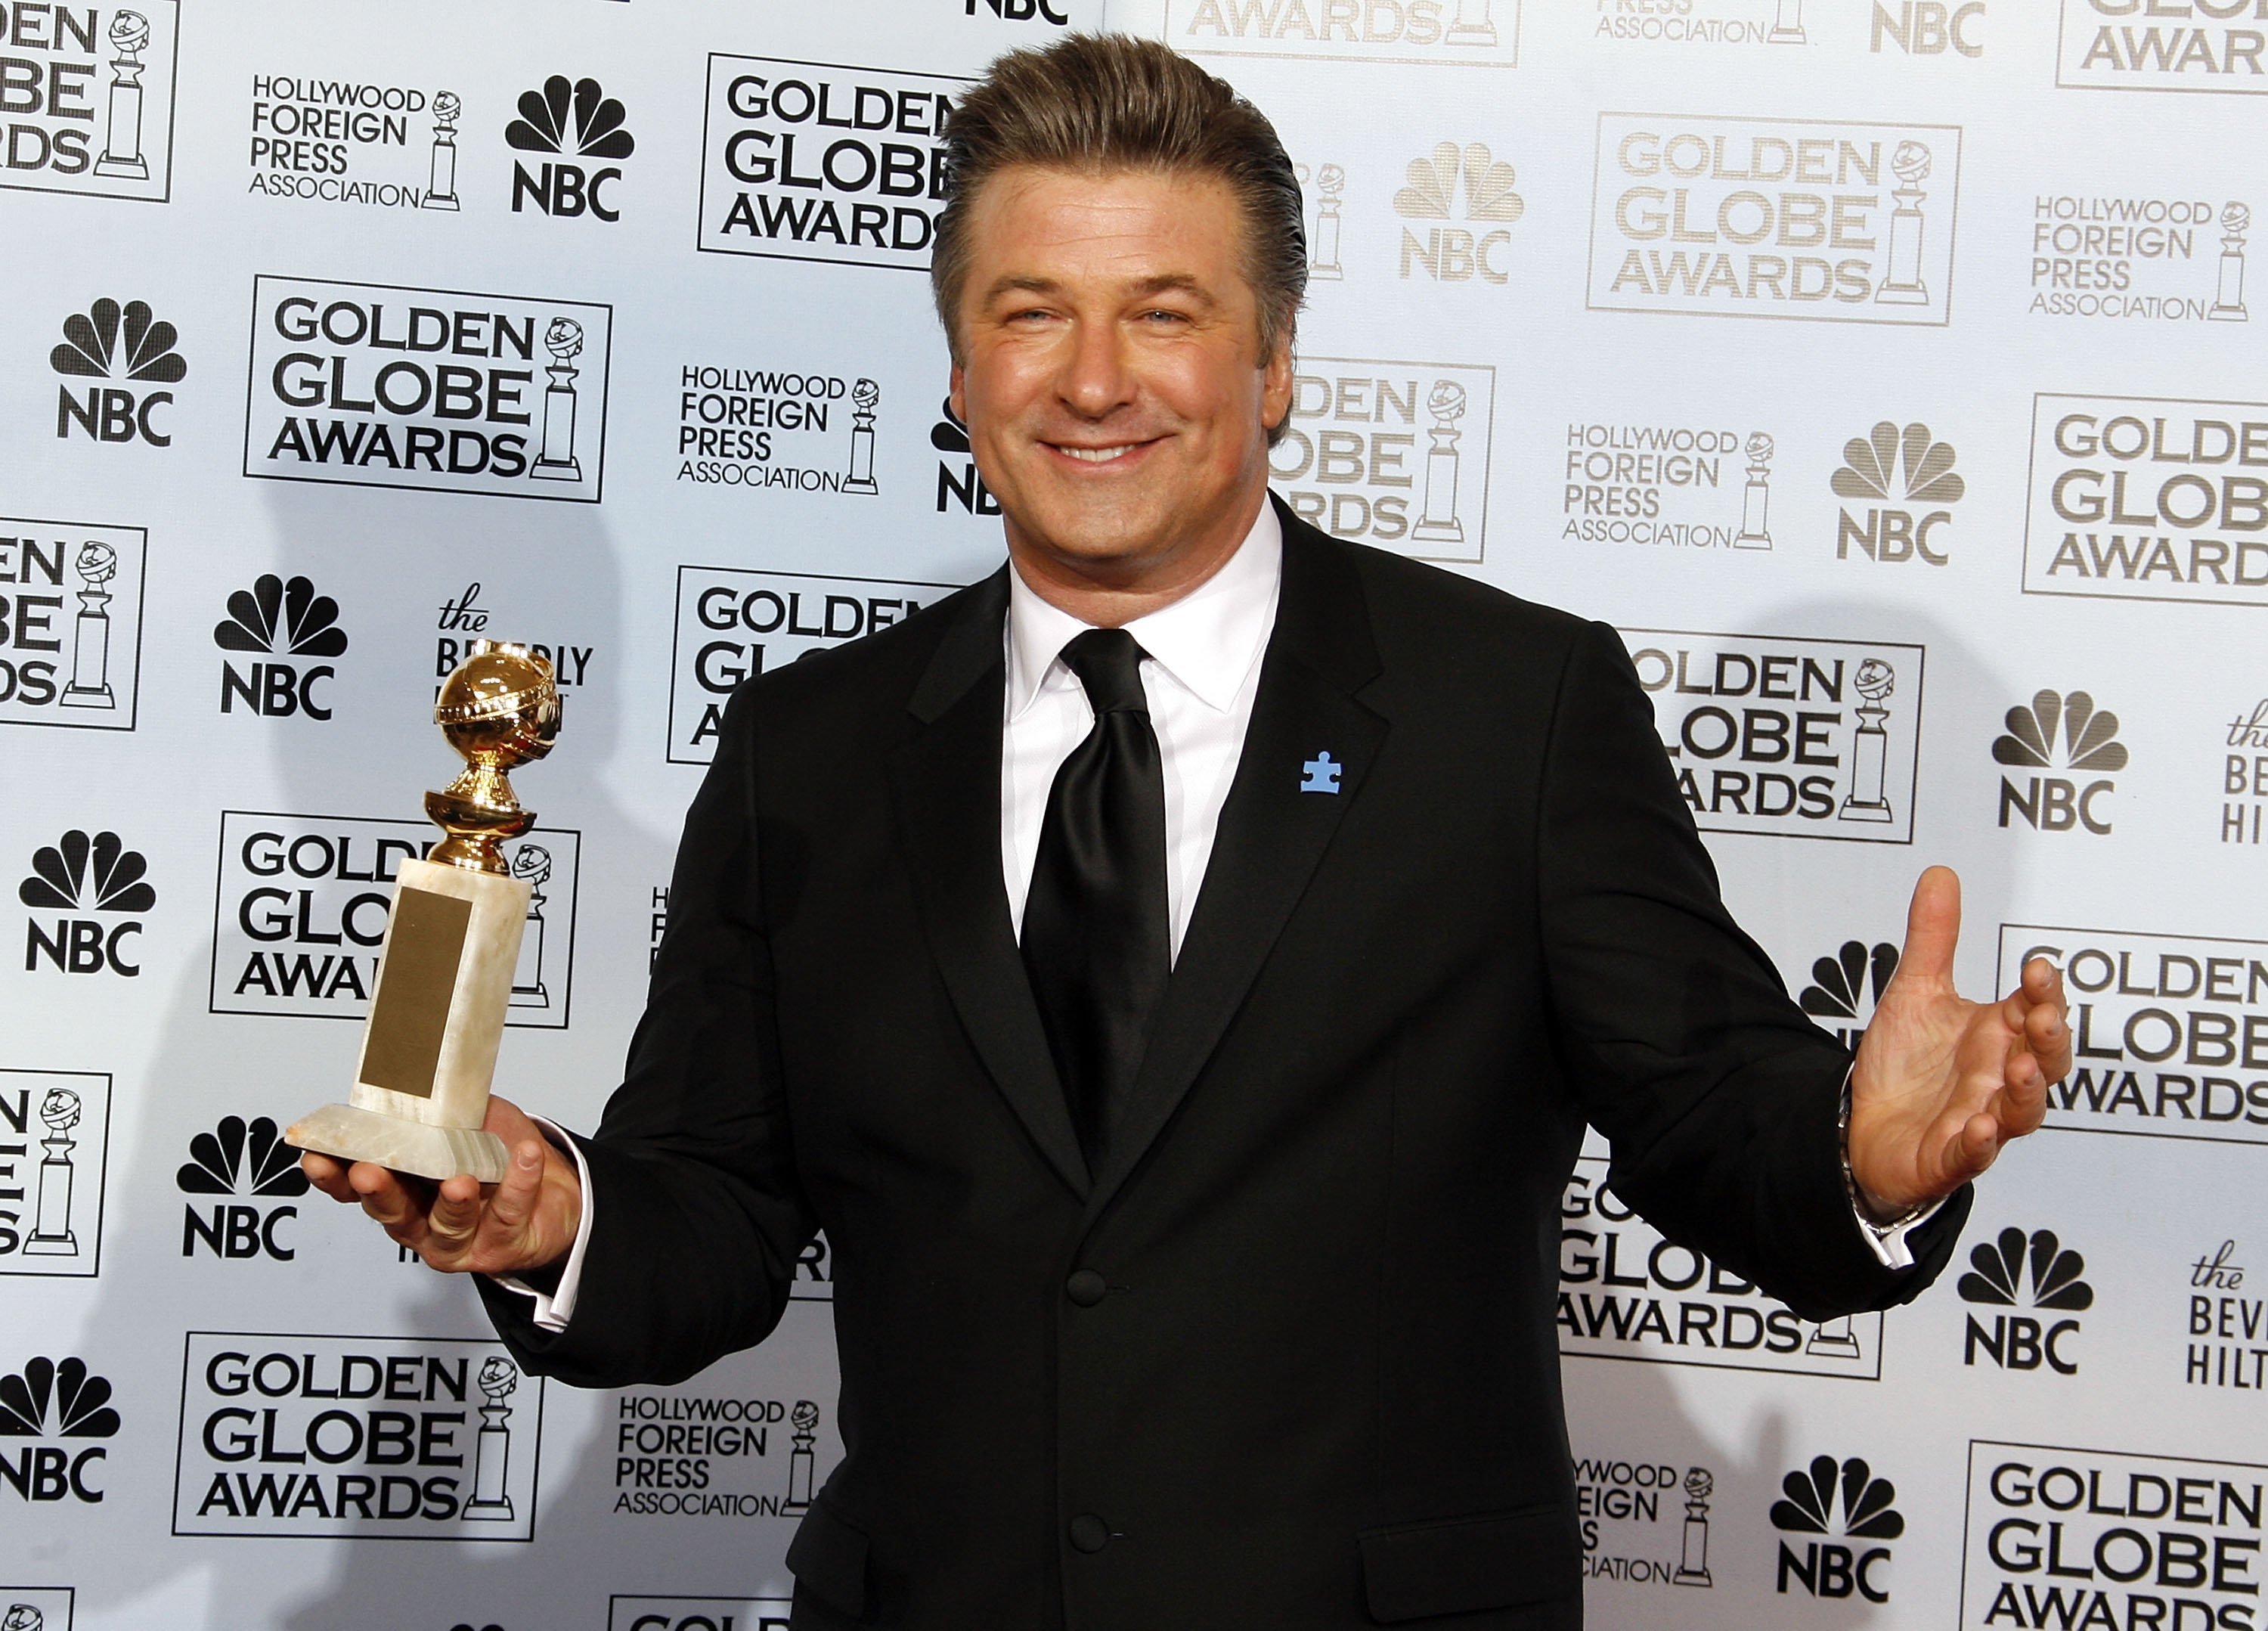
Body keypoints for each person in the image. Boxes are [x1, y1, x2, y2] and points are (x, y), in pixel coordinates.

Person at [305, 36, 2069, 1629]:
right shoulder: (810, 750)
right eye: (1030, 310)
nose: (1093, 379)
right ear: (956, 366)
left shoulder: (1506, 712)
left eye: (1163, 308)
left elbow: (1705, 1114)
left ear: (1277, 358)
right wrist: (553, 1216)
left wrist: (1864, 1151)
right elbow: (715, 1211)